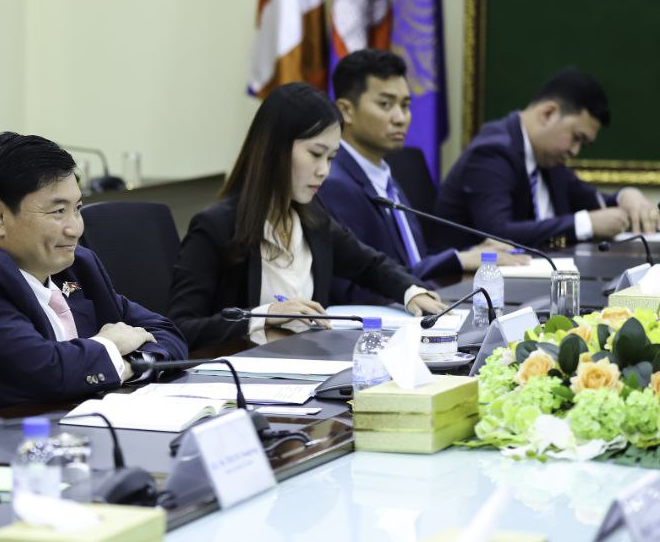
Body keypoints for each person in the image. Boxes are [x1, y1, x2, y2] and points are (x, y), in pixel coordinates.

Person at [0, 132, 187, 416]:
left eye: (77, 208)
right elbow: (48, 373)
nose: (75, 228)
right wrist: (112, 346)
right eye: (58, 211)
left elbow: (167, 332)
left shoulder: (77, 268)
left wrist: (131, 364)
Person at [167, 82, 446, 353]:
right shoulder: (216, 226)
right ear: (274, 149)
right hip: (243, 375)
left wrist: (412, 292)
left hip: (310, 365)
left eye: (331, 158)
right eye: (316, 154)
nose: (324, 170)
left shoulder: (314, 219)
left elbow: (370, 265)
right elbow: (180, 328)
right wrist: (263, 315)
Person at [319, 49, 527, 302]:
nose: (400, 118)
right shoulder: (333, 183)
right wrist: (457, 259)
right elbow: (361, 284)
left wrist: (469, 254)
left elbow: (411, 261)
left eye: (405, 105)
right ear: (346, 111)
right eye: (385, 104)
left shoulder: (385, 175)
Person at [435, 68, 658, 250]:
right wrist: (586, 224)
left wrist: (626, 196)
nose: (575, 151)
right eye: (576, 138)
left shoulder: (549, 159)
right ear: (548, 113)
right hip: (461, 284)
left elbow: (592, 202)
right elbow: (498, 234)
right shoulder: (492, 152)